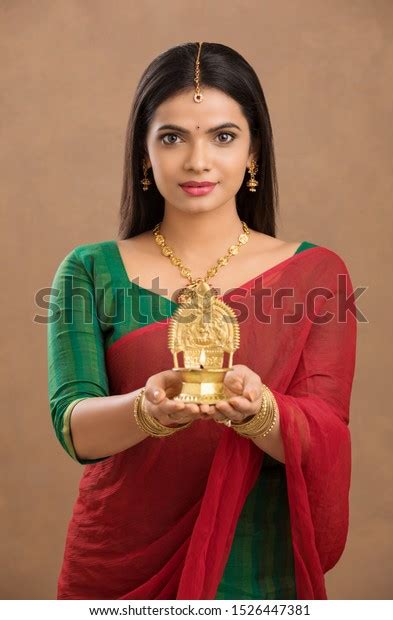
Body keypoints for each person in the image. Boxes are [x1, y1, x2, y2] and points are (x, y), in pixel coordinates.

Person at [47, 42, 357, 600]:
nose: (197, 161)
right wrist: (147, 410)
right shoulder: (89, 270)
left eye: (223, 136)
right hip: (118, 566)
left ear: (254, 151)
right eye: (172, 138)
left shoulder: (316, 275)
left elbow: (325, 435)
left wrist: (261, 413)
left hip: (256, 565)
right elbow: (73, 426)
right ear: (144, 154)